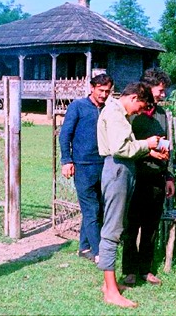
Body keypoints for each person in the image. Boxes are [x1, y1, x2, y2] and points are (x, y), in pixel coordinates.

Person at [97, 82, 165, 308]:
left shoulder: (118, 113)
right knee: (113, 229)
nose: (140, 112)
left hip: (122, 170)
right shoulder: (116, 114)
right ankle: (111, 292)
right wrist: (146, 144)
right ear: (134, 98)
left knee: (117, 226)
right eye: (141, 107)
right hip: (118, 169)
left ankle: (110, 285)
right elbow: (120, 148)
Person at [122, 68, 175, 287]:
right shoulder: (131, 113)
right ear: (148, 87)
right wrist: (148, 152)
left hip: (157, 177)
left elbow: (165, 142)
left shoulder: (161, 114)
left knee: (151, 226)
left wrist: (169, 175)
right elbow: (125, 146)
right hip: (135, 176)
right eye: (161, 90)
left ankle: (145, 269)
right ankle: (129, 271)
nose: (163, 95)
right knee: (131, 225)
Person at [59, 74, 114, 263]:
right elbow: (65, 134)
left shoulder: (108, 109)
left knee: (98, 208)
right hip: (82, 166)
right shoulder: (78, 106)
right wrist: (67, 160)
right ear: (92, 88)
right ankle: (99, 252)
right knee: (90, 209)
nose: (104, 95)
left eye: (107, 91)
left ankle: (84, 247)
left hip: (103, 164)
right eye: (101, 90)